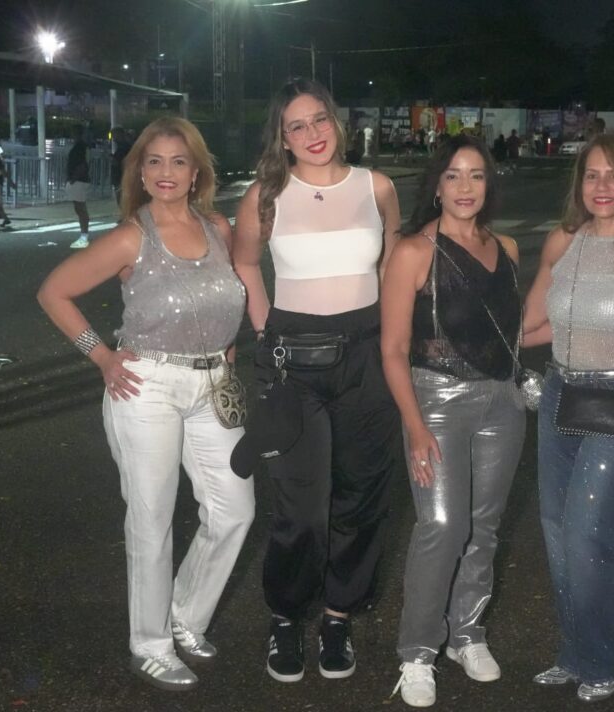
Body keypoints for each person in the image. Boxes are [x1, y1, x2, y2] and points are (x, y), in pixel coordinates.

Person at [36, 116, 255, 692]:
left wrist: (226, 348)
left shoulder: (218, 228)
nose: (166, 172)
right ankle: (151, 644)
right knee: (153, 519)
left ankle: (185, 616)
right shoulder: (132, 237)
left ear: (197, 172)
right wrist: (102, 357)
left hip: (212, 385)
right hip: (147, 386)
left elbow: (225, 296)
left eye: (178, 161)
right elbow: (54, 292)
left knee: (235, 510)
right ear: (139, 171)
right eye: (153, 161)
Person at [231, 78, 402, 684]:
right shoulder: (265, 196)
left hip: (367, 356)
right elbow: (245, 261)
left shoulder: (377, 187)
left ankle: (337, 615)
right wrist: (265, 331)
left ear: (337, 120)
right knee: (301, 507)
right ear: (282, 138)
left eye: (320, 119)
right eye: (297, 126)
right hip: (293, 362)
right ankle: (286, 614)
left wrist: (394, 340)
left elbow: (392, 262)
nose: (312, 134)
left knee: (361, 497)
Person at [522, 133, 614, 704]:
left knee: (588, 535)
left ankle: (603, 660)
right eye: (591, 175)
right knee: (557, 534)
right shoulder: (564, 240)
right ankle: (574, 653)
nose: (601, 187)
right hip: (561, 392)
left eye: (613, 175)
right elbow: (534, 324)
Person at [380, 135, 523, 708]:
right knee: (441, 525)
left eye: (477, 175)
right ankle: (417, 652)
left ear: (489, 184)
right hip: (435, 402)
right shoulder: (414, 251)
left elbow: (511, 332)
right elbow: (393, 349)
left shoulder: (506, 248)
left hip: (502, 404)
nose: (466, 187)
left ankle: (467, 633)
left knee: (484, 525)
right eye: (454, 175)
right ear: (436, 184)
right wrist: (415, 427)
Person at [68, 129, 92, 249]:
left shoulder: (80, 147)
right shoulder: (82, 147)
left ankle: (84, 235)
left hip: (79, 180)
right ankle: (84, 234)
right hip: (79, 179)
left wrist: (74, 178)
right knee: (79, 208)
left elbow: (83, 164)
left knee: (80, 208)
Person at [111, 126, 132, 206]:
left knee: (123, 202)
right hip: (121, 178)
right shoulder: (124, 147)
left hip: (121, 178)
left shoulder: (124, 147)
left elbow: (120, 162)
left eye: (114, 135)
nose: (113, 138)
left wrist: (113, 159)